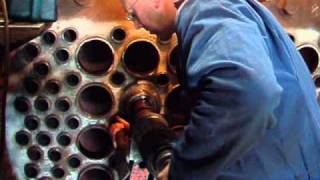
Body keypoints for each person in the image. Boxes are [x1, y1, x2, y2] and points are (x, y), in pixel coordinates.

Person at [115, 0, 320, 179]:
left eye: (133, 13)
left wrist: (186, 170)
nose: (136, 24)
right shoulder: (228, 10)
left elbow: (251, 93)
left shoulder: (208, 9)